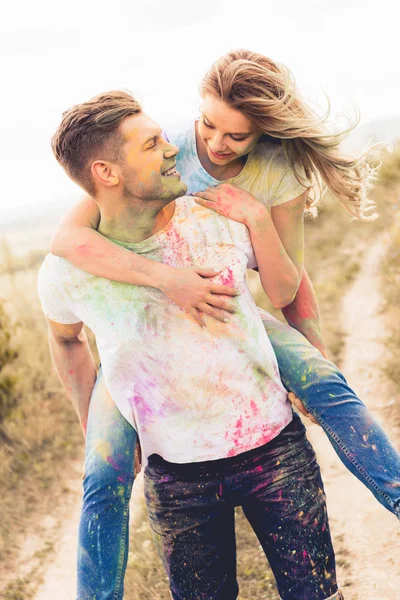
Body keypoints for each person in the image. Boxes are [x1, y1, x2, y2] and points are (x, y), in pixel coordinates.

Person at [50, 49, 400, 517]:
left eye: (238, 136)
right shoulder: (164, 151)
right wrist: (168, 279)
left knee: (332, 391)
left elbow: (286, 287)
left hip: (233, 310)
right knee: (101, 471)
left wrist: (256, 217)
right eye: (208, 124)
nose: (216, 143)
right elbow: (68, 238)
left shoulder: (280, 167)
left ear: (265, 132)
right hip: (146, 327)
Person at [38, 91, 344, 600]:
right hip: (178, 481)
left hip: (276, 453)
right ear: (107, 173)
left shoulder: (214, 220)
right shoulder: (69, 273)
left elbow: (289, 283)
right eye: (152, 143)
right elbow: (64, 339)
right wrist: (94, 426)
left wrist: (312, 359)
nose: (172, 149)